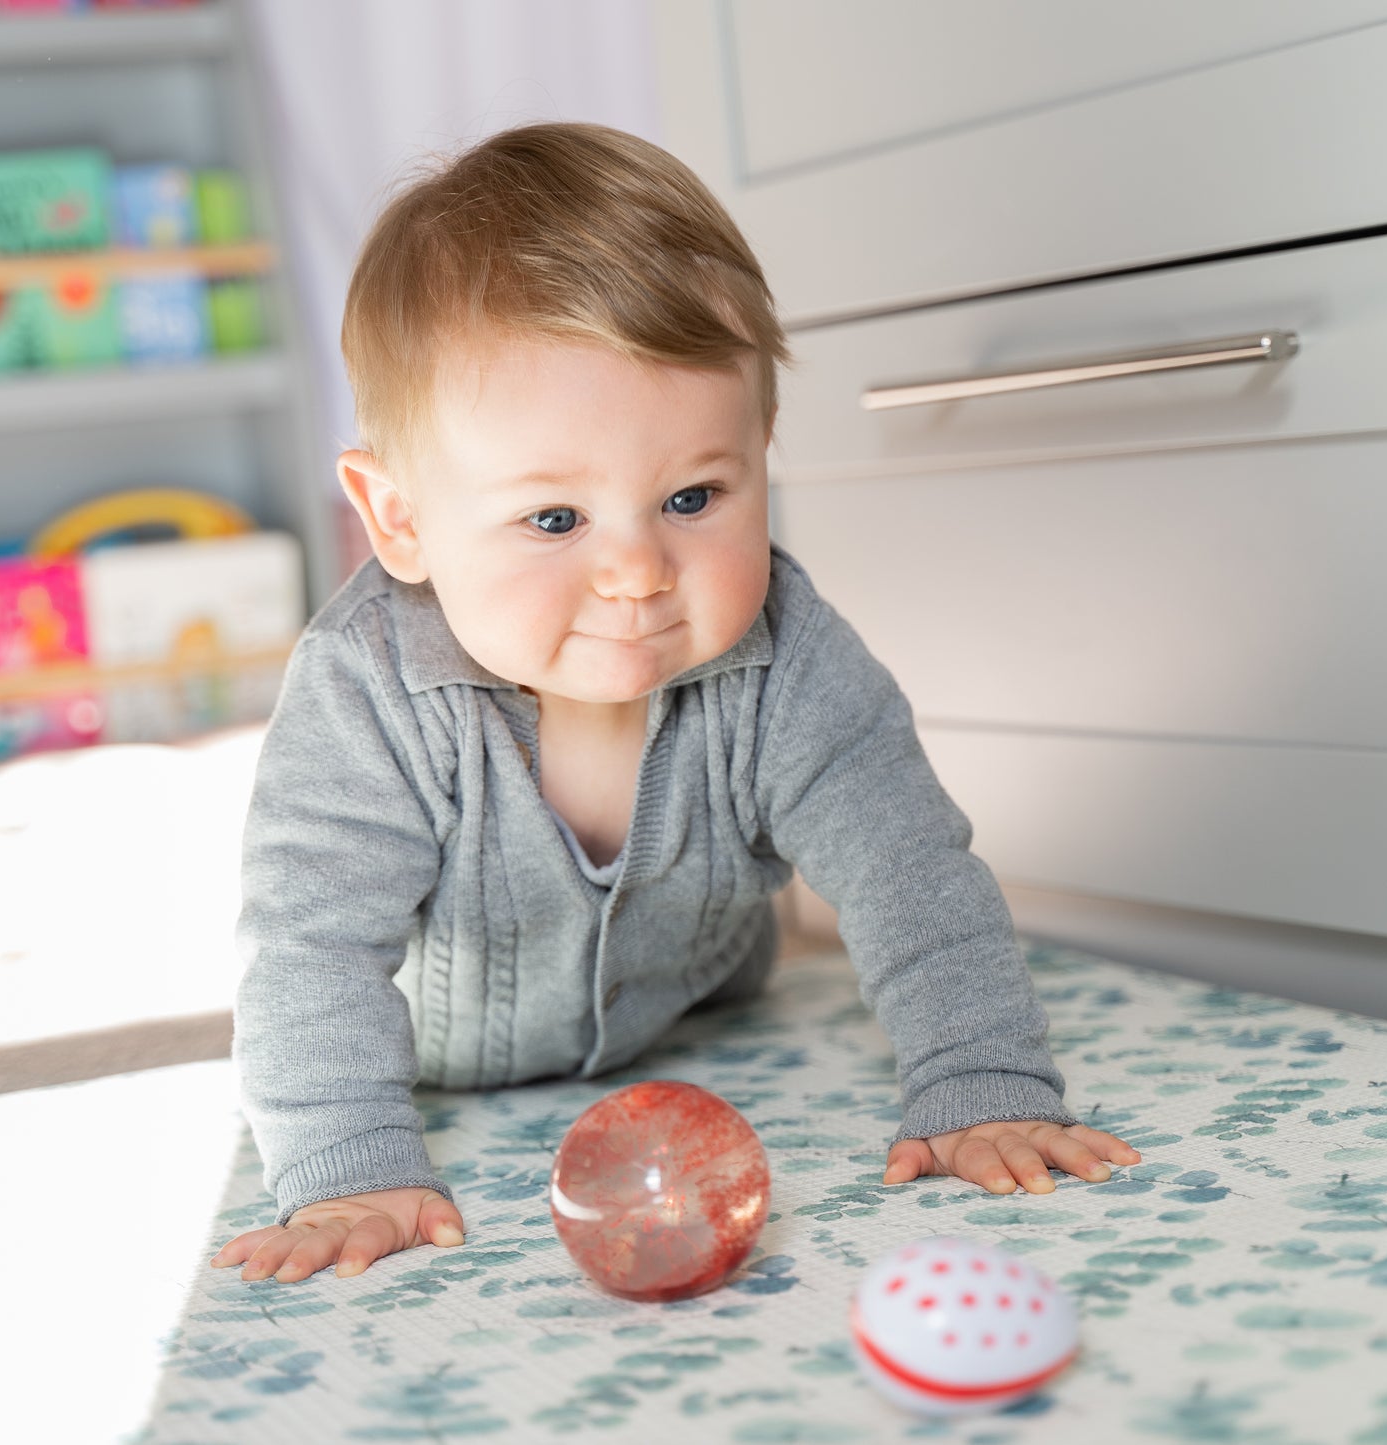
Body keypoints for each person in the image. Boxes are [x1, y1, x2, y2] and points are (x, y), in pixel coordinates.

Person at [211, 121, 1141, 1286]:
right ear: (397, 518)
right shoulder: (365, 692)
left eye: (693, 495)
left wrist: (979, 1083)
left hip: (693, 1013)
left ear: (761, 450)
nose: (637, 571)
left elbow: (910, 870)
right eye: (554, 520)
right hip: (438, 1057)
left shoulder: (789, 655)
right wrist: (346, 1166)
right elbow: (308, 946)